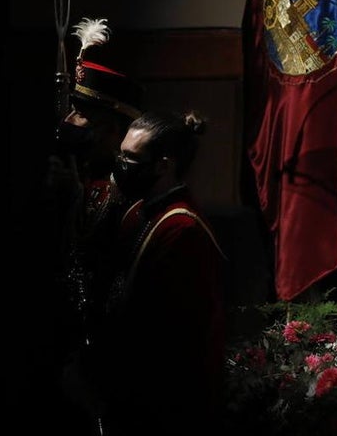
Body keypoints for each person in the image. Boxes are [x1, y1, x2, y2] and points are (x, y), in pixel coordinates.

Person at [89, 109, 227, 434]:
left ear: (163, 165)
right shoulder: (139, 211)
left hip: (162, 408)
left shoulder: (182, 229)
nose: (119, 166)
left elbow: (170, 340)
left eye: (129, 158)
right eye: (119, 154)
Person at [45, 18, 145, 429]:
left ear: (114, 127)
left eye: (83, 113)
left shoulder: (130, 199)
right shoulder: (76, 182)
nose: (71, 120)